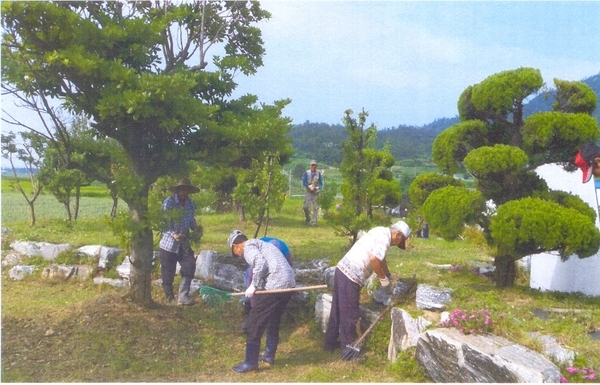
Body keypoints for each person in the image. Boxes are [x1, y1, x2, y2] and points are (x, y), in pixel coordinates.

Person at [324, 220, 411, 360]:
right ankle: (349, 353)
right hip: (352, 275)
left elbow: (381, 260)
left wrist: (388, 274)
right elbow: (374, 258)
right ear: (398, 234)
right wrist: (383, 278)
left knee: (337, 309)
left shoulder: (380, 230)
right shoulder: (385, 238)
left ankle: (330, 343)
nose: (397, 244)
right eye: (399, 241)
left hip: (341, 270)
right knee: (350, 314)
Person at [227, 230, 296, 373]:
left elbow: (260, 264)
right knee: (273, 318)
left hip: (277, 284)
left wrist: (253, 285)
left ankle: (250, 362)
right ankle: (269, 356)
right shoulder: (262, 244)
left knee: (254, 322)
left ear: (236, 246)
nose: (239, 256)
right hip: (290, 284)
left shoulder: (248, 247)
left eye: (236, 253)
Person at [158, 179, 200, 306]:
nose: (184, 192)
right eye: (181, 189)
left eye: (186, 189)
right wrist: (173, 234)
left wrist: (196, 229)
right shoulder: (169, 203)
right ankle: (170, 297)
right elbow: (163, 224)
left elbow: (191, 220)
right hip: (168, 244)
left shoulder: (190, 204)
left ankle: (183, 296)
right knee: (168, 271)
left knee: (190, 265)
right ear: (177, 190)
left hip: (184, 242)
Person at [302, 160, 323, 227]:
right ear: (310, 166)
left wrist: (318, 188)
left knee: (316, 207)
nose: (313, 166)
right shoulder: (307, 173)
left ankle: (314, 223)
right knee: (305, 207)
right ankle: (308, 218)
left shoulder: (318, 173)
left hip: (315, 193)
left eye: (315, 165)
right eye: (312, 165)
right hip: (308, 192)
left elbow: (321, 183)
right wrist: (309, 186)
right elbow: (304, 182)